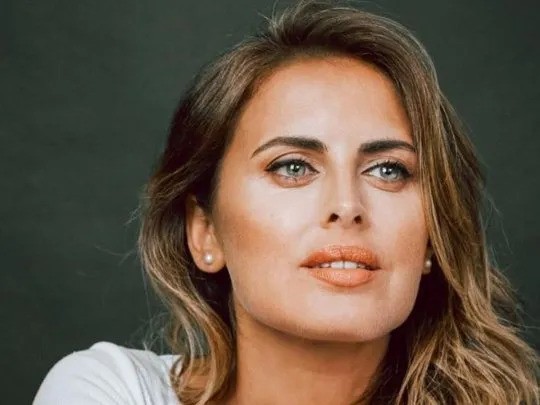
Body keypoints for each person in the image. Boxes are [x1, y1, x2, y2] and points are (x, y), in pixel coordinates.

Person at [34, 1, 539, 404]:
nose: (347, 205)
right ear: (205, 232)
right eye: (293, 167)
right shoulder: (110, 390)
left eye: (388, 170)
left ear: (432, 238)